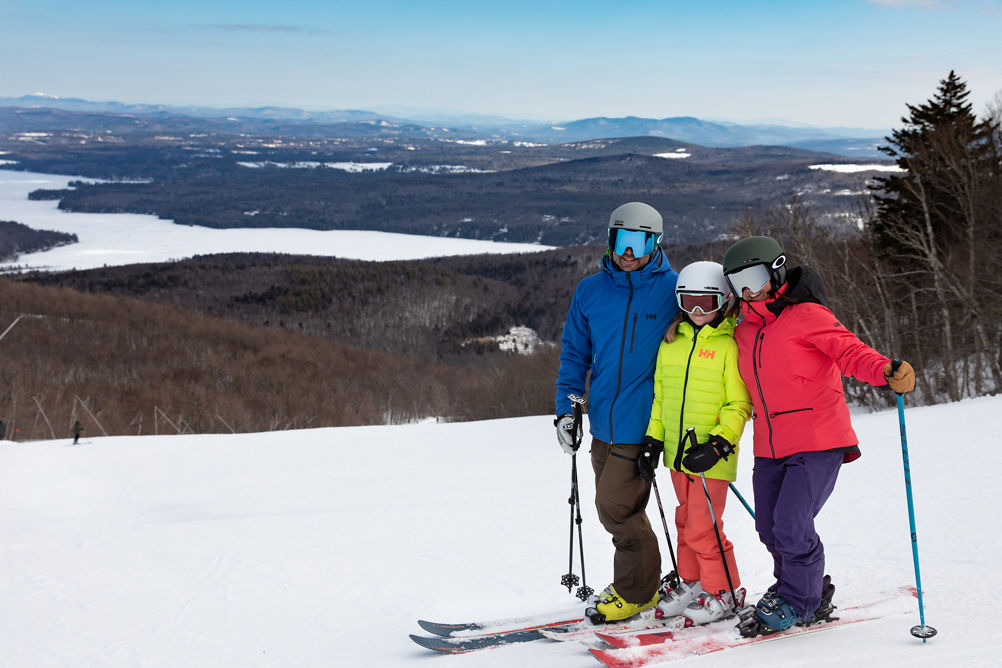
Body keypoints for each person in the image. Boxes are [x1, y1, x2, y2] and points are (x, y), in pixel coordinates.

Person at [720, 236, 916, 635]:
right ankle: (807, 589)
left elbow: (850, 352)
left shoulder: (807, 314)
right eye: (737, 282)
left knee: (792, 524)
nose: (748, 290)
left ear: (776, 271)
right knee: (769, 528)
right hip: (771, 444)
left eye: (755, 277)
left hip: (818, 439)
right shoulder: (741, 330)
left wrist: (885, 371)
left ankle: (799, 601)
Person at [555, 201, 679, 622]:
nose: (628, 252)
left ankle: (637, 590)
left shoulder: (674, 290)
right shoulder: (590, 291)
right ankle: (640, 578)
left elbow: (714, 325)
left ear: (655, 242)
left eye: (638, 241)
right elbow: (575, 355)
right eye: (620, 240)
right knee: (617, 508)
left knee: (615, 509)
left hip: (644, 424)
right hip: (603, 424)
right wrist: (568, 411)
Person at [640, 261, 753, 624]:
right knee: (686, 520)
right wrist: (653, 441)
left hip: (710, 456)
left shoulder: (729, 345)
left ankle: (725, 591)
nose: (698, 311)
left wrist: (720, 444)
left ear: (724, 301)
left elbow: (739, 404)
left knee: (705, 526)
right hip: (677, 453)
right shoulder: (670, 343)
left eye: (706, 302)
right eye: (689, 302)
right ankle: (693, 582)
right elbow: (660, 398)